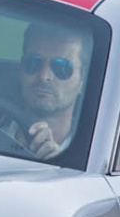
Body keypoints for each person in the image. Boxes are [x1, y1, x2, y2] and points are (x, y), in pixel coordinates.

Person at [6, 22, 89, 159]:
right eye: (33, 63)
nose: (44, 76)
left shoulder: (94, 156)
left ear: (83, 80)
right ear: (21, 70)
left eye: (61, 67)